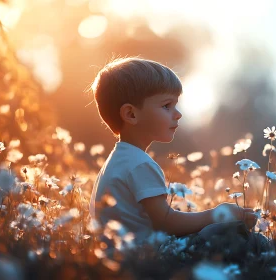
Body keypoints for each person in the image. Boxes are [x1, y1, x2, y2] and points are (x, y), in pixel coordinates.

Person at [88, 57, 258, 246]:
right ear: (131, 114)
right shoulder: (139, 164)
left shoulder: (119, 161)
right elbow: (166, 223)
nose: (178, 114)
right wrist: (217, 214)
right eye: (166, 106)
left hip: (123, 257)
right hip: (149, 261)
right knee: (233, 234)